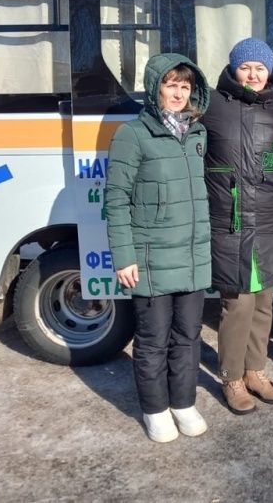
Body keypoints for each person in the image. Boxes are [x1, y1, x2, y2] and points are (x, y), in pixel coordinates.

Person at [105, 53, 212, 443]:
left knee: (188, 335)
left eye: (185, 85)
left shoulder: (197, 133)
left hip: (192, 254)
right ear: (155, 89)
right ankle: (155, 409)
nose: (178, 93)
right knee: (153, 340)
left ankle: (183, 402)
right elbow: (116, 199)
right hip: (150, 257)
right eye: (171, 84)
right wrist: (124, 256)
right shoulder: (133, 134)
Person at [203, 38, 273, 415]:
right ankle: (231, 376)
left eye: (259, 68)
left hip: (269, 220)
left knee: (264, 302)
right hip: (229, 221)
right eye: (245, 67)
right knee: (237, 304)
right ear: (233, 69)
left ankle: (255, 370)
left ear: (269, 71)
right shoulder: (211, 105)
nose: (252, 74)